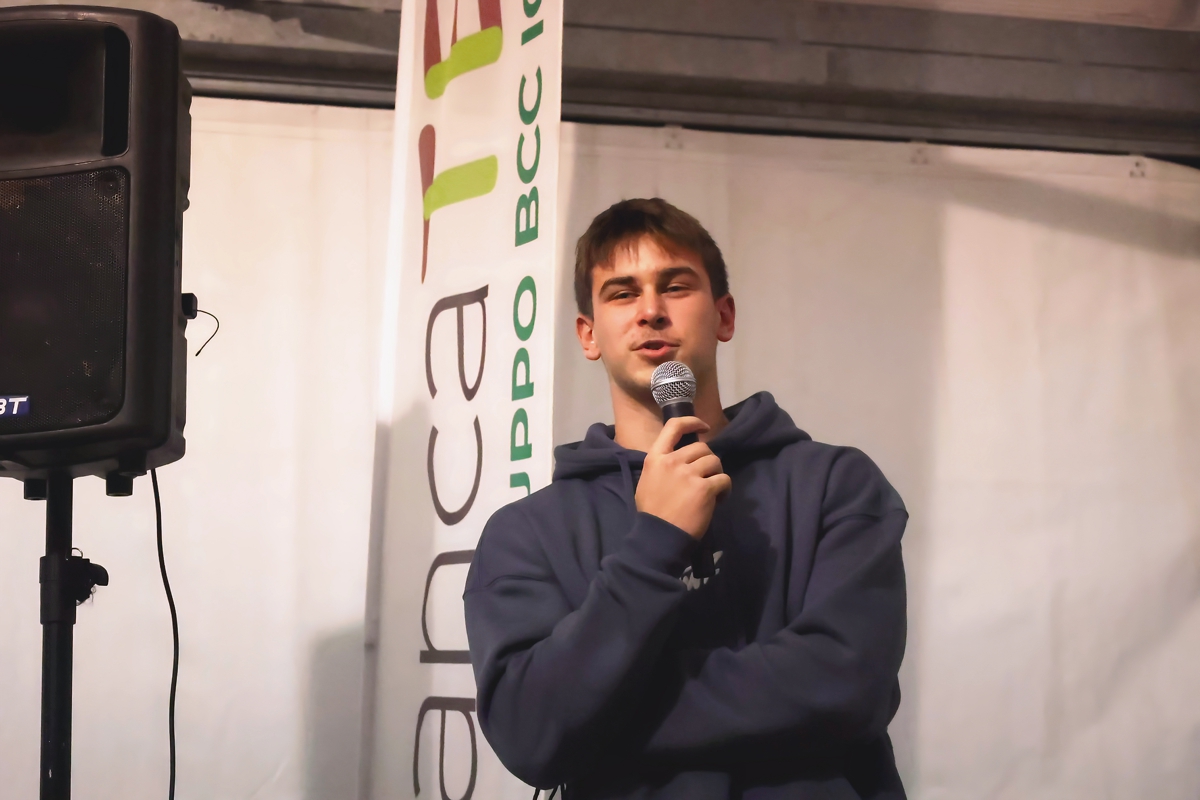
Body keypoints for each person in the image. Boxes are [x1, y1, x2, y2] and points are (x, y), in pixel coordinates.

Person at [464, 198, 908, 799]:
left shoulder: (834, 484)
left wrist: (601, 714)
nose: (650, 310)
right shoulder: (527, 532)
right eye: (623, 293)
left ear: (724, 315)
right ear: (588, 335)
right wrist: (654, 543)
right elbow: (529, 733)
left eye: (675, 287)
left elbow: (848, 685)